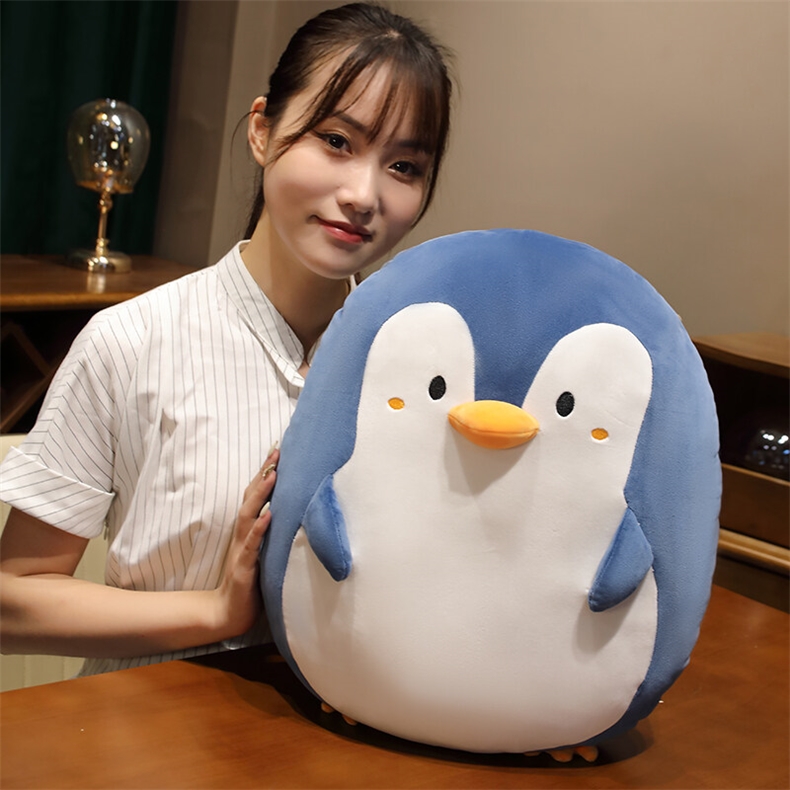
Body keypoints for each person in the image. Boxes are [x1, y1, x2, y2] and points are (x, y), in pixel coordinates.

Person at [0, 2, 453, 675]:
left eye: (405, 166)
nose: (364, 194)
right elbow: (13, 601)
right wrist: (216, 611)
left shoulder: (424, 370)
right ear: (263, 130)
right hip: (147, 726)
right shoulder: (131, 341)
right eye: (336, 140)